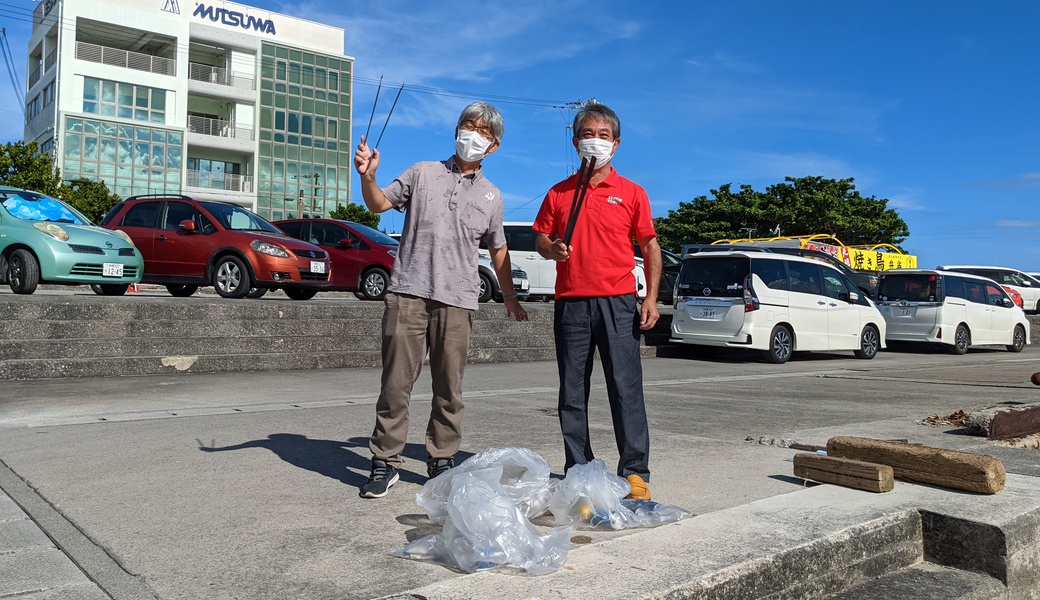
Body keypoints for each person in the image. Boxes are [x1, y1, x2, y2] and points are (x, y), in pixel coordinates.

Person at [353, 101, 528, 499]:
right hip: (408, 292)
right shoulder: (422, 172)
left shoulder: (492, 196)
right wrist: (368, 175)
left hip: (459, 299)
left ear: (494, 146)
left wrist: (510, 298)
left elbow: (498, 250)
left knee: (449, 388)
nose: (473, 134)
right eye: (468, 125)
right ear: (456, 129)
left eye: (483, 131)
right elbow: (379, 203)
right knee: (395, 385)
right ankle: (384, 461)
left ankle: (441, 460)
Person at [533, 102, 662, 500]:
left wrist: (651, 298)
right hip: (572, 303)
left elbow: (651, 246)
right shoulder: (558, 193)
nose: (596, 142)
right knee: (572, 391)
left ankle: (635, 470)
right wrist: (550, 248)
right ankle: (578, 467)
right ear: (575, 142)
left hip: (620, 302)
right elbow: (540, 238)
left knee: (626, 388)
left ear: (616, 144)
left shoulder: (632, 193)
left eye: (604, 136)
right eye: (588, 135)